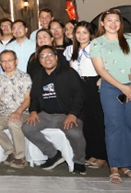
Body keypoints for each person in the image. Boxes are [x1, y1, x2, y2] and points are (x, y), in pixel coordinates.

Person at [91, 8, 131, 184]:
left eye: (116, 20)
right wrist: (123, 87)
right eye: (109, 20)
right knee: (114, 126)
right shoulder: (97, 43)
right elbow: (100, 70)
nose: (113, 24)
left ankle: (127, 165)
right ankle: (114, 166)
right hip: (112, 88)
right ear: (102, 23)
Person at [22, 45, 87, 174]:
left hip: (65, 114)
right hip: (46, 114)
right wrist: (33, 111)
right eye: (43, 56)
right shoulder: (38, 76)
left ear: (56, 57)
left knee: (74, 133)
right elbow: (34, 97)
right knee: (27, 128)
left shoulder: (68, 72)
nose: (47, 58)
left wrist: (72, 114)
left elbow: (79, 95)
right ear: (39, 61)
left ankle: (79, 161)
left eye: (50, 55)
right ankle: (53, 154)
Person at [64, 21, 106, 169]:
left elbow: (105, 65)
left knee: (98, 121)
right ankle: (90, 154)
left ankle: (101, 155)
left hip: (94, 84)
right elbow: (69, 70)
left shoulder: (97, 47)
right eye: (78, 33)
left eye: (85, 32)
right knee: (85, 122)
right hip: (78, 87)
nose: (81, 36)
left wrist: (102, 79)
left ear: (91, 34)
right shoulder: (69, 50)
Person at [0, 50, 32, 168]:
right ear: (0, 63)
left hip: (22, 112)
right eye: (3, 61)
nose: (7, 64)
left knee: (13, 123)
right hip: (4, 112)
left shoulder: (25, 77)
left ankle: (20, 157)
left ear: (16, 61)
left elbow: (28, 99)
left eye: (10, 60)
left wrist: (18, 112)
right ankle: (10, 151)